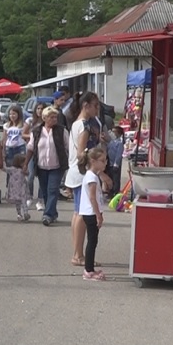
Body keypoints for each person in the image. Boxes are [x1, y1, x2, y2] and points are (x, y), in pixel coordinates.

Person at [64, 92, 108, 267]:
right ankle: (78, 255)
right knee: (81, 215)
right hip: (82, 173)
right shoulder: (83, 126)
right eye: (95, 105)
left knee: (78, 213)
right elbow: (82, 153)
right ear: (86, 106)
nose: (97, 109)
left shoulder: (79, 123)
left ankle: (77, 253)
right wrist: (100, 173)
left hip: (79, 172)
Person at [27, 106, 69, 226]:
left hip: (57, 167)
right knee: (45, 192)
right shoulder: (36, 131)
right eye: (51, 117)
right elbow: (30, 148)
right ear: (44, 118)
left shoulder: (62, 131)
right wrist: (25, 164)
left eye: (55, 117)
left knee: (53, 190)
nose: (54, 119)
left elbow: (68, 147)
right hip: (41, 167)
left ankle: (48, 215)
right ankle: (53, 213)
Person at [78, 145, 109, 281]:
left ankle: (89, 268)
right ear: (93, 161)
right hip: (90, 213)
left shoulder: (93, 176)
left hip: (91, 212)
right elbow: (92, 197)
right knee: (92, 241)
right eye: (102, 160)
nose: (105, 163)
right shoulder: (91, 177)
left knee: (93, 241)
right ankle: (88, 270)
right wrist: (98, 215)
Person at [1, 105, 28, 188]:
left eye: (14, 114)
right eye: (10, 114)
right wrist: (3, 151)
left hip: (20, 147)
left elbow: (26, 136)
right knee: (10, 169)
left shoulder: (23, 125)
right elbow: (4, 139)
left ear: (18, 114)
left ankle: (20, 187)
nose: (12, 116)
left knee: (20, 168)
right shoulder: (6, 125)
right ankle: (10, 187)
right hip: (9, 148)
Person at [27, 102, 47, 210]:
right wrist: (33, 135)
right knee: (30, 175)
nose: (40, 110)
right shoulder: (30, 121)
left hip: (43, 152)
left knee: (41, 177)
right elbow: (23, 133)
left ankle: (40, 200)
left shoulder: (47, 122)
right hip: (32, 151)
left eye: (42, 108)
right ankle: (29, 196)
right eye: (38, 108)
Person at [6, 152, 31, 222]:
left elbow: (28, 173)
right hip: (15, 189)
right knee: (18, 203)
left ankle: (25, 213)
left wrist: (25, 171)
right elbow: (5, 169)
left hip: (22, 188)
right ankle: (19, 214)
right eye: (23, 162)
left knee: (24, 201)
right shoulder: (12, 169)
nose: (24, 164)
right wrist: (1, 164)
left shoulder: (23, 170)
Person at [106, 126, 125, 198]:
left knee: (116, 179)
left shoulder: (119, 143)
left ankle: (116, 192)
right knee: (110, 178)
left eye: (114, 132)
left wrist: (116, 164)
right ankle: (110, 192)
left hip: (115, 164)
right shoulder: (111, 141)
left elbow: (118, 155)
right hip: (109, 163)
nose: (112, 133)